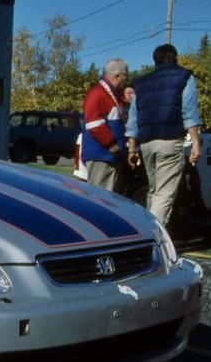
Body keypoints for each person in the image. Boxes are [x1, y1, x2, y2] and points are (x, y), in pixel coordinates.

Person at [126, 44, 202, 226]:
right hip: (170, 140)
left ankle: (148, 232)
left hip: (146, 143)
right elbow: (189, 113)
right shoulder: (184, 77)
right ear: (175, 58)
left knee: (153, 191)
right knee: (164, 195)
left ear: (155, 60)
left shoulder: (141, 82)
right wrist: (196, 143)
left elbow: (133, 118)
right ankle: (151, 237)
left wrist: (131, 148)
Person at [81, 58, 130, 193]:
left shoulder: (113, 94)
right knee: (98, 198)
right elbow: (94, 125)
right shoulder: (98, 93)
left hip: (110, 156)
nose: (126, 81)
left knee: (109, 198)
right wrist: (112, 145)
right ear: (117, 76)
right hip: (101, 156)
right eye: (126, 77)